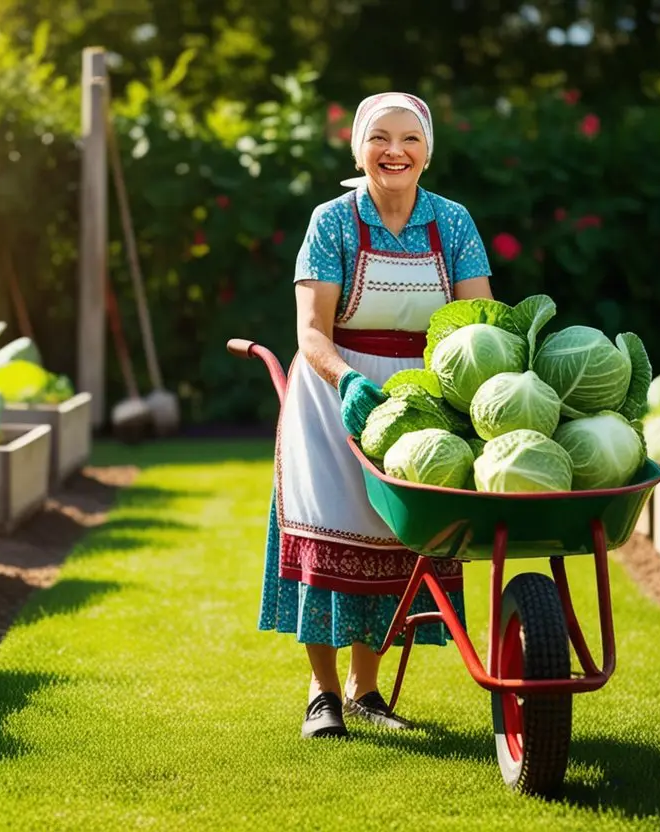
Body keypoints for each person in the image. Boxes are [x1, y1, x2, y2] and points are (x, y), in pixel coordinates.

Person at [258, 91, 495, 739]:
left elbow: (479, 323)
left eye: (410, 139)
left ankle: (367, 691)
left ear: (428, 153)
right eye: (380, 138)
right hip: (334, 393)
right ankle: (322, 691)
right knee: (328, 532)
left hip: (420, 399)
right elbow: (311, 333)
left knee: (398, 541)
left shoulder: (454, 224)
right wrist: (351, 385)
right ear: (360, 149)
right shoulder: (332, 220)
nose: (395, 151)